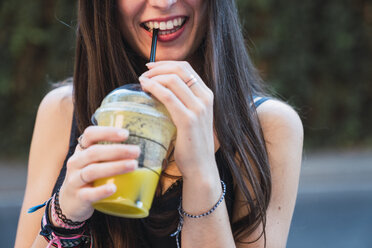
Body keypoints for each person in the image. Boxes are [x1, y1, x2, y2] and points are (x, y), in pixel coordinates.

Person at [15, 0, 303, 247]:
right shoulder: (63, 112)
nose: (164, 3)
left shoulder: (269, 128)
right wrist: (64, 216)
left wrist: (201, 173)